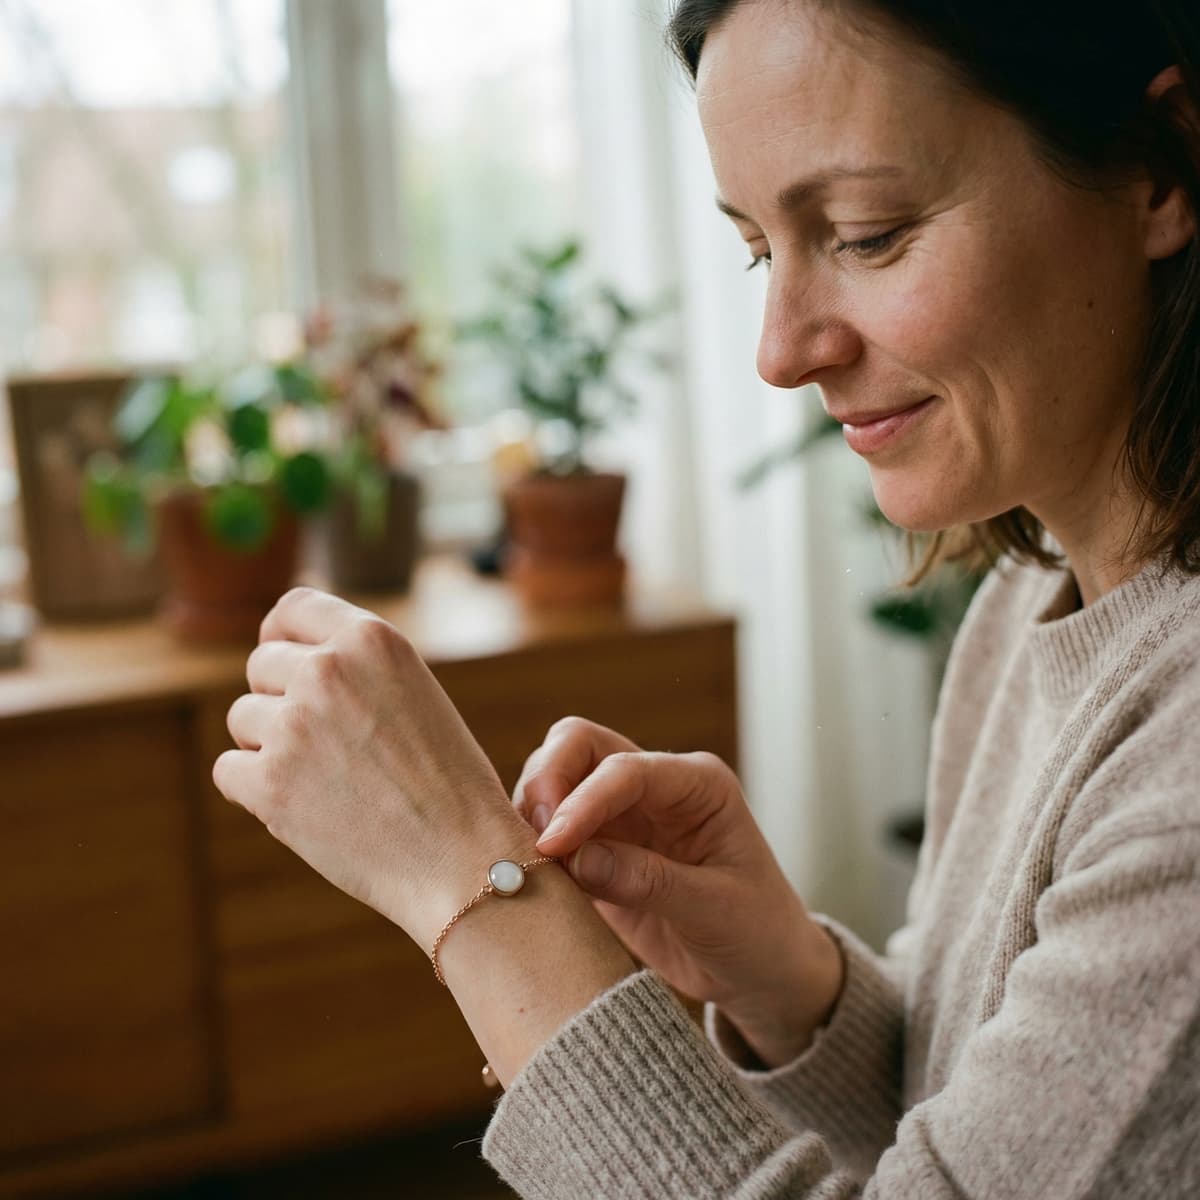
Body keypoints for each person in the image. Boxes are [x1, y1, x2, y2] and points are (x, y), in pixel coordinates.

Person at [213, 0, 1200, 1194]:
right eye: (756, 249)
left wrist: (477, 891)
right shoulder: (1021, 614)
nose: (781, 351)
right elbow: (969, 1140)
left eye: (868, 233)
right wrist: (790, 983)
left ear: (1156, 172)